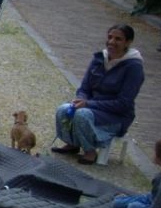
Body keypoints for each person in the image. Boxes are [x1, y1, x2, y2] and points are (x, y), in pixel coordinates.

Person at [52, 24, 145, 163]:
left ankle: (90, 151)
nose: (112, 42)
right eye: (110, 37)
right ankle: (73, 143)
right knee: (63, 109)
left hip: (115, 115)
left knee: (83, 115)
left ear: (128, 42)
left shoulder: (134, 67)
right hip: (91, 107)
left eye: (118, 39)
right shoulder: (99, 59)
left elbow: (123, 103)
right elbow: (84, 88)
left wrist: (88, 104)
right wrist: (80, 99)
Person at [113, 137, 161, 208]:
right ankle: (127, 199)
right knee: (118, 203)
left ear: (160, 158)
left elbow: (159, 202)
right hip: (151, 198)